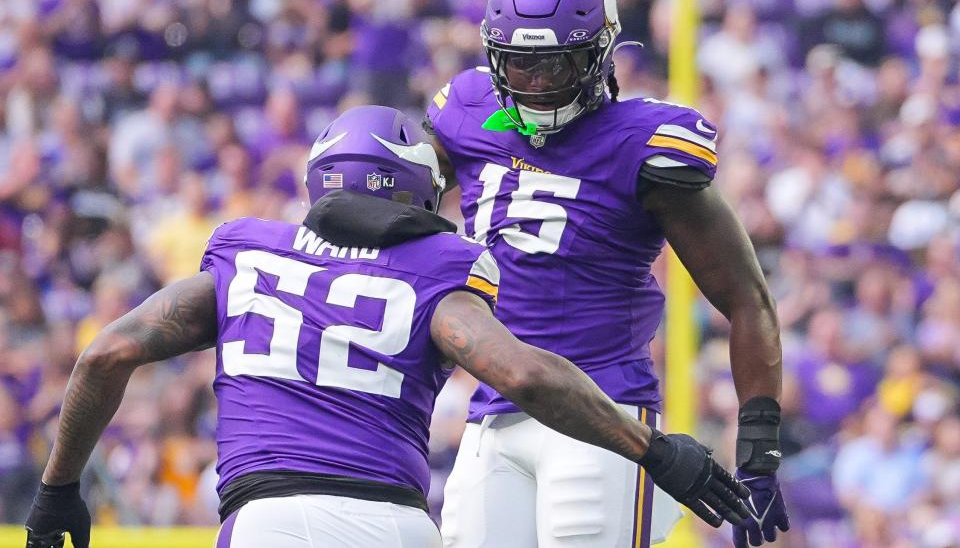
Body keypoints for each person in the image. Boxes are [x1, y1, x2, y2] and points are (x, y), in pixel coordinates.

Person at [24, 106, 748, 548]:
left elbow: (105, 354)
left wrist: (58, 488)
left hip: (272, 517)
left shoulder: (245, 254)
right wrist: (654, 449)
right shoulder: (438, 268)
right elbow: (526, 373)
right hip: (400, 525)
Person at [424, 0, 788, 548]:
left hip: (607, 413)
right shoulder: (464, 113)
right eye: (520, 65)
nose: (536, 85)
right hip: (494, 408)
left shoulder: (645, 144)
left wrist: (760, 446)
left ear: (599, 53)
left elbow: (746, 298)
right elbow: (401, 220)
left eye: (556, 65)